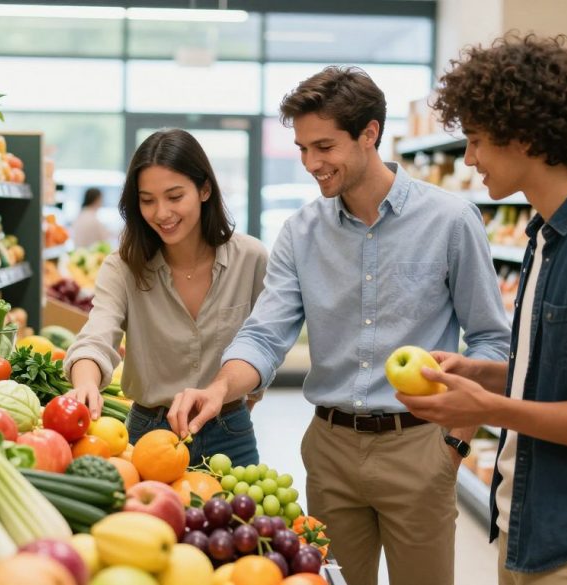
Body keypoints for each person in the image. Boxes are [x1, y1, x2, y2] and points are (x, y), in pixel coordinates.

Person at [168, 66, 511, 585]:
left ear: (369, 133)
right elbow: (265, 334)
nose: (310, 163)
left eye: (323, 147)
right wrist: (220, 388)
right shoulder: (302, 232)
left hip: (419, 445)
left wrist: (455, 444)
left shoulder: (450, 221)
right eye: (303, 148)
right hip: (330, 450)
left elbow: (491, 338)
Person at [399, 34, 567, 584]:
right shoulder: (550, 234)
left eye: (476, 140)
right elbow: (563, 376)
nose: (470, 158)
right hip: (533, 526)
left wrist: (488, 408)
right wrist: (487, 376)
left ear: (522, 135)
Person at [63, 128, 268, 466]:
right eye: (147, 200)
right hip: (148, 432)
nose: (161, 213)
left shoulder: (250, 258)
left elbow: (264, 341)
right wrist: (85, 384)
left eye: (175, 197)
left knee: (241, 519)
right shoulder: (123, 267)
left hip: (230, 431)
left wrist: (246, 396)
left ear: (204, 189)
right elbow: (97, 334)